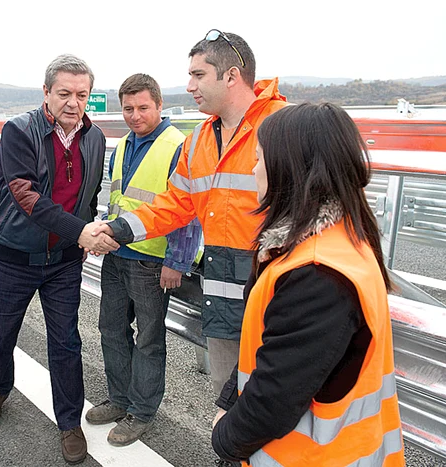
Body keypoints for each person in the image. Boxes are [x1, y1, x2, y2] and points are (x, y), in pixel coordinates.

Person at [93, 30, 288, 394]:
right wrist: (117, 229)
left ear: (230, 75)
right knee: (228, 390)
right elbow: (174, 205)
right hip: (222, 289)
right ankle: (230, 452)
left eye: (198, 75)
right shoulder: (199, 139)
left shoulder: (283, 126)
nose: (190, 85)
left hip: (276, 290)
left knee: (278, 396)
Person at [210, 102, 405, 466]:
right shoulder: (339, 237)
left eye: (258, 159)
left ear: (289, 169)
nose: (253, 170)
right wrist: (230, 400)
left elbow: (275, 398)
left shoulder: (316, 273)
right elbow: (272, 353)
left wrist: (224, 439)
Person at [0, 54, 117, 465]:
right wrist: (81, 231)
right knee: (1, 335)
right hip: (12, 257)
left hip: (62, 260)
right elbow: (25, 195)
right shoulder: (19, 131)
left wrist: (86, 232)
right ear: (46, 93)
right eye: (64, 93)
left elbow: (88, 195)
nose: (73, 103)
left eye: (82, 94)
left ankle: (69, 422)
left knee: (66, 341)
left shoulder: (93, 138)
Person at [85, 73, 201, 446]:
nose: (135, 115)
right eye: (128, 108)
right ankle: (119, 399)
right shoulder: (122, 147)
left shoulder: (177, 146)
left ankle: (142, 411)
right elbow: (119, 201)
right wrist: (103, 232)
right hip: (117, 255)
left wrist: (177, 261)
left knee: (149, 340)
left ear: (159, 105)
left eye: (143, 107)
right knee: (111, 331)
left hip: (153, 262)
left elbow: (190, 211)